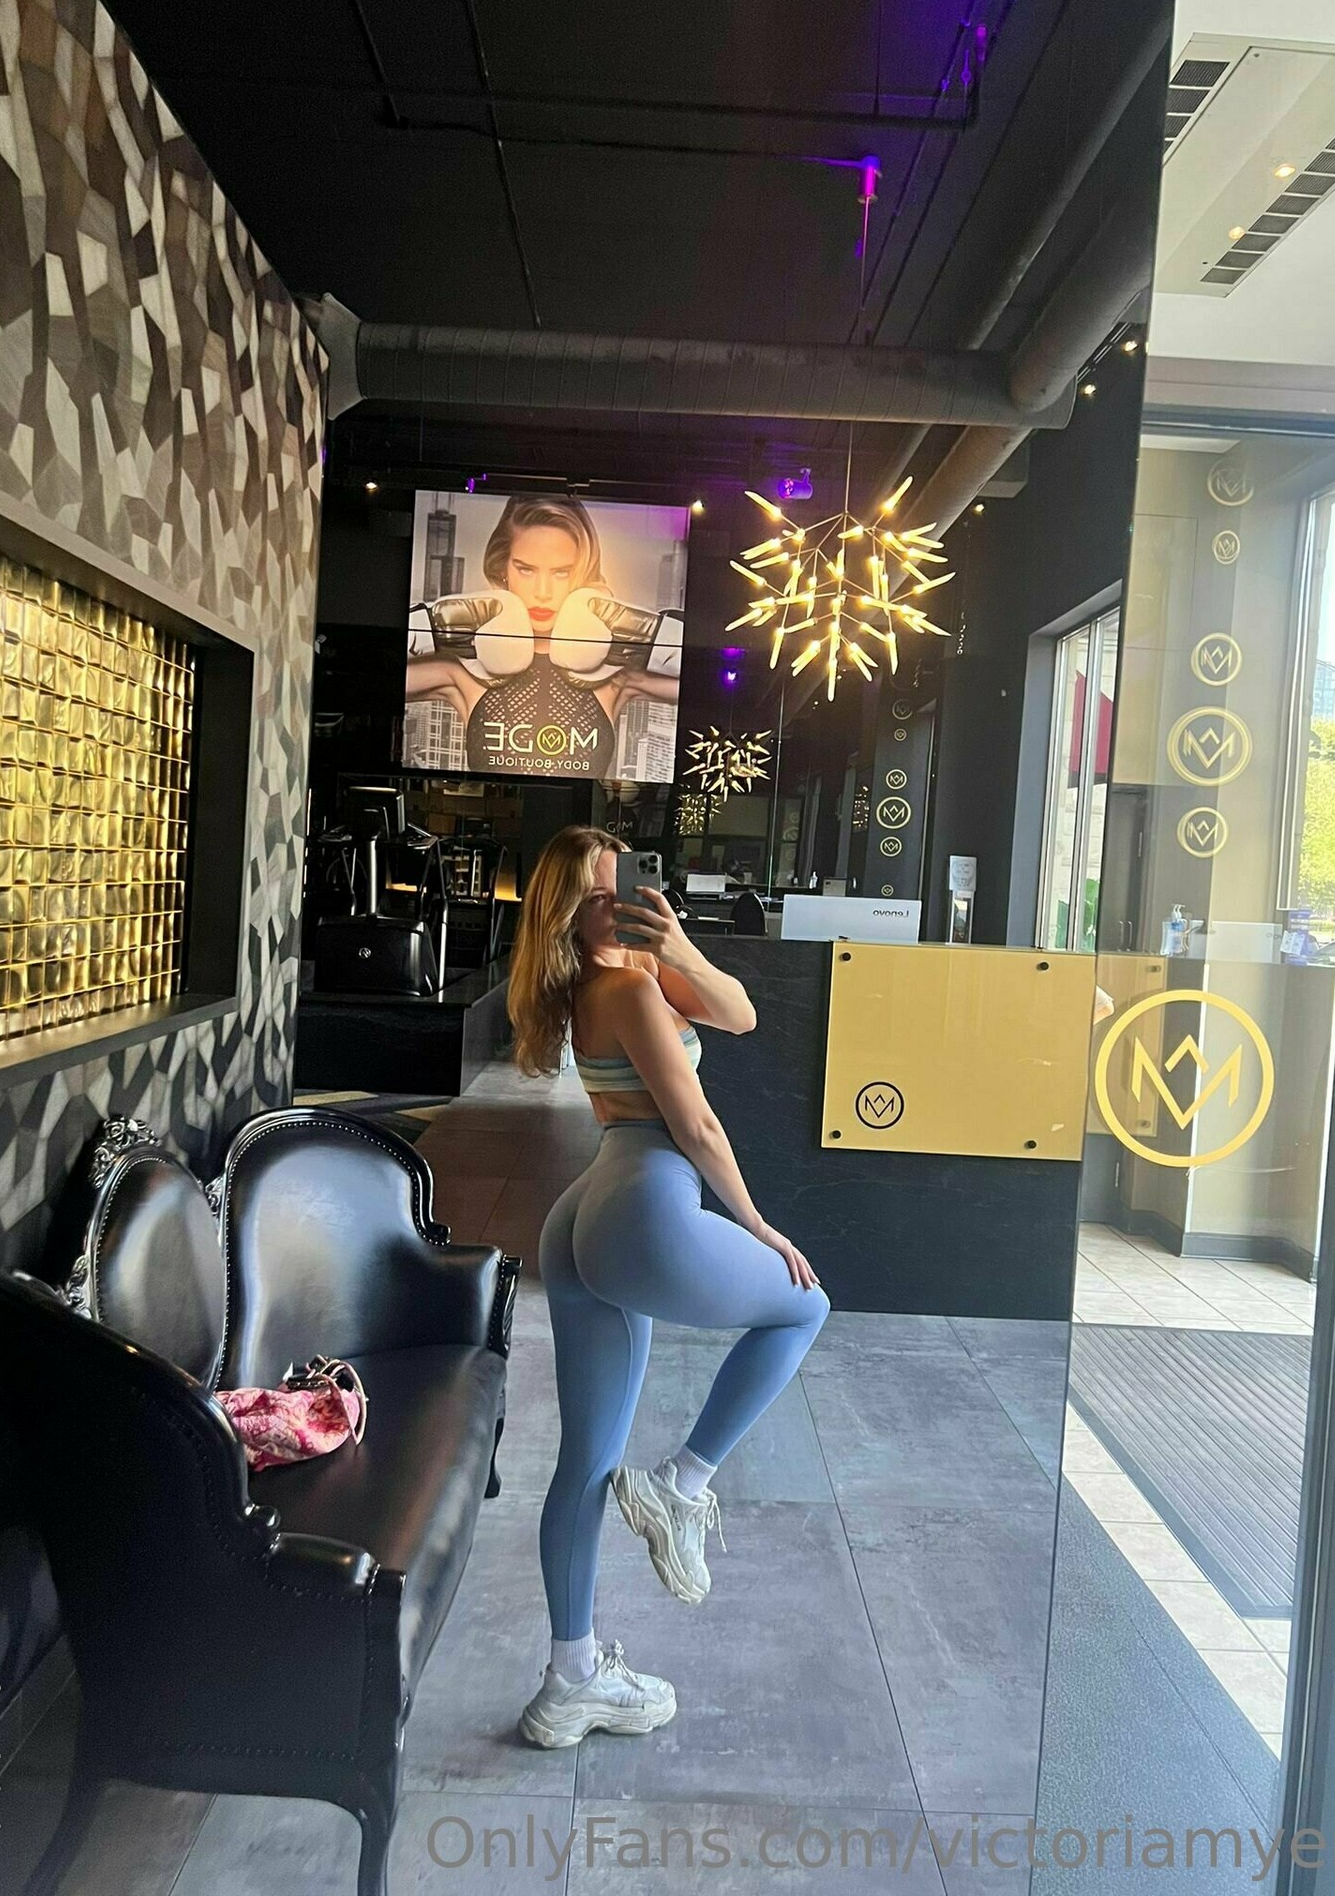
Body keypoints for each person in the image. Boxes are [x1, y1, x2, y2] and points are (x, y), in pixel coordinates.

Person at [506, 825, 831, 1749]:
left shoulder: (620, 977)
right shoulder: (623, 988)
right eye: (605, 895)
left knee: (586, 1460)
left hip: (587, 1211)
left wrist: (678, 943)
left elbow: (741, 1015)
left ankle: (569, 1683)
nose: (625, 904)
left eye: (629, 887)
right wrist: (757, 1225)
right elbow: (697, 1127)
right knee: (804, 1304)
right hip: (643, 1205)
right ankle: (683, 1484)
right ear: (574, 914)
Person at [404, 496, 679, 779]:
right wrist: (434, 624)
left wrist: (650, 632)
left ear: (582, 573)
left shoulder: (614, 674)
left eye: (562, 572)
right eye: (526, 569)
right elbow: (375, 670)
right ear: (503, 569)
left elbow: (702, 682)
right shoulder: (464, 670)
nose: (543, 592)